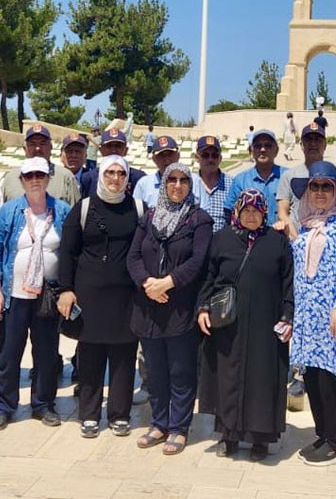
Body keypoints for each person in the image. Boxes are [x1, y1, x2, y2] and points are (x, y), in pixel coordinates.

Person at [196, 190, 294, 460]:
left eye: (256, 211)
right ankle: (228, 435)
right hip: (228, 324)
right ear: (237, 212)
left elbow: (288, 282)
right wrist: (202, 308)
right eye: (246, 211)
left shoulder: (276, 241)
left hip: (266, 324)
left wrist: (287, 316)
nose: (251, 216)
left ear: (265, 213)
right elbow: (208, 276)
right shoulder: (222, 239)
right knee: (227, 377)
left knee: (262, 379)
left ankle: (260, 439)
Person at [127, 162, 212, 455]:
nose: (177, 185)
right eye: (171, 180)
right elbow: (133, 256)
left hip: (180, 307)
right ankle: (159, 423)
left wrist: (168, 282)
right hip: (149, 307)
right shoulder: (150, 217)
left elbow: (198, 261)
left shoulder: (199, 220)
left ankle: (178, 427)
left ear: (190, 185)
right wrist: (148, 283)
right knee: (155, 371)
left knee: (180, 370)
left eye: (183, 180)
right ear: (164, 184)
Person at [58, 155, 142, 438]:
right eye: (109, 173)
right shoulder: (83, 209)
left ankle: (119, 414)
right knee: (91, 357)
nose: (115, 179)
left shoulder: (138, 209)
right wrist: (66, 289)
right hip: (90, 295)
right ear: (101, 176)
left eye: (121, 173)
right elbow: (67, 252)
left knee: (123, 357)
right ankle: (90, 414)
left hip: (126, 296)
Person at [0, 157, 71, 430]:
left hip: (48, 295)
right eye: (29, 176)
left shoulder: (61, 210)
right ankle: (3, 406)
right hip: (15, 293)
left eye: (40, 175)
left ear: (48, 178)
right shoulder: (10, 210)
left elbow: (70, 251)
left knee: (46, 352)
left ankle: (43, 404)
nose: (35, 180)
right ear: (22, 180)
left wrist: (68, 289)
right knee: (9, 353)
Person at [289, 162, 336, 466]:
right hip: (307, 316)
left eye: (326, 187)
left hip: (331, 316)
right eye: (314, 186)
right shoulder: (306, 223)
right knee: (313, 376)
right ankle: (324, 433)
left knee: (331, 378)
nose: (319, 192)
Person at [275, 123, 336, 239]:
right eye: (308, 140)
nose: (313, 143)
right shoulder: (289, 176)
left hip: (330, 239)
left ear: (325, 145)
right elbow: (282, 213)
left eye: (318, 140)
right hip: (296, 238)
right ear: (301, 145)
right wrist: (298, 241)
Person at [1, 124, 80, 205]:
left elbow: (76, 211)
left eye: (42, 144)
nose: (37, 148)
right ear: (25, 149)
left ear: (51, 147)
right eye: (32, 144)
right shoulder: (10, 178)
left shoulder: (66, 177)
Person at [225, 129, 286, 226]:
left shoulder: (288, 177)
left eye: (268, 145)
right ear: (251, 151)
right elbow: (230, 212)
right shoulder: (240, 181)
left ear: (276, 151)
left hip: (282, 234)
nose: (263, 149)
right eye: (258, 146)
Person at [77, 128, 147, 199]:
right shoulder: (88, 178)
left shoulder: (138, 178)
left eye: (118, 146)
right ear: (101, 150)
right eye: (109, 146)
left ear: (126, 150)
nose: (114, 150)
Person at [191, 136, 232, 231]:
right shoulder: (189, 183)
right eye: (205, 155)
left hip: (222, 239)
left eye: (215, 155)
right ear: (197, 158)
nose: (210, 159)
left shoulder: (232, 184)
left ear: (220, 158)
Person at [133, 136, 182, 206]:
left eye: (170, 154)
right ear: (154, 159)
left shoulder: (194, 181)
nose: (166, 159)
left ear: (178, 155)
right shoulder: (143, 184)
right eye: (161, 155)